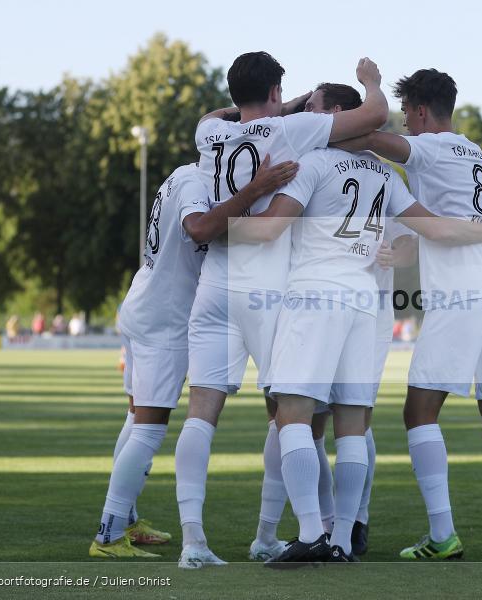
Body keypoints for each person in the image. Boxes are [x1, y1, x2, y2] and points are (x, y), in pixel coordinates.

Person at [232, 81, 482, 566]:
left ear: (340, 114)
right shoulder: (386, 176)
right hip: (366, 303)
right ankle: (341, 540)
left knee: (292, 414)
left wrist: (224, 216)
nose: (309, 116)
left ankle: (310, 534)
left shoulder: (312, 163)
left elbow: (267, 229)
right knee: (354, 425)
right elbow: (437, 229)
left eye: (315, 109)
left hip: (316, 294)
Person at [174, 52, 390, 569]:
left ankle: (193, 543)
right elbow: (374, 116)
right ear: (277, 91)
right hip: (269, 290)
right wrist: (369, 82)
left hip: (213, 285)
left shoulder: (209, 137)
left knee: (201, 414)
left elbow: (211, 117)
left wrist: (270, 101)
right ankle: (296, 533)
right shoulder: (293, 131)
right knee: (298, 416)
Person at [334, 68, 482, 561]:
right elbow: (429, 233)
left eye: (407, 114)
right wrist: (399, 253)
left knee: (418, 411)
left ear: (422, 111)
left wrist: (368, 89)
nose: (403, 123)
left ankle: (442, 536)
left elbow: (364, 135)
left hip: (463, 291)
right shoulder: (474, 151)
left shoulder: (431, 147)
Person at [88, 157, 297, 561]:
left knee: (135, 419)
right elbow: (199, 227)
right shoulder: (197, 183)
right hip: (166, 317)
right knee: (149, 428)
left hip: (146, 301)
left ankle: (125, 519)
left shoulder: (184, 172)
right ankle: (109, 533)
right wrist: (255, 189)